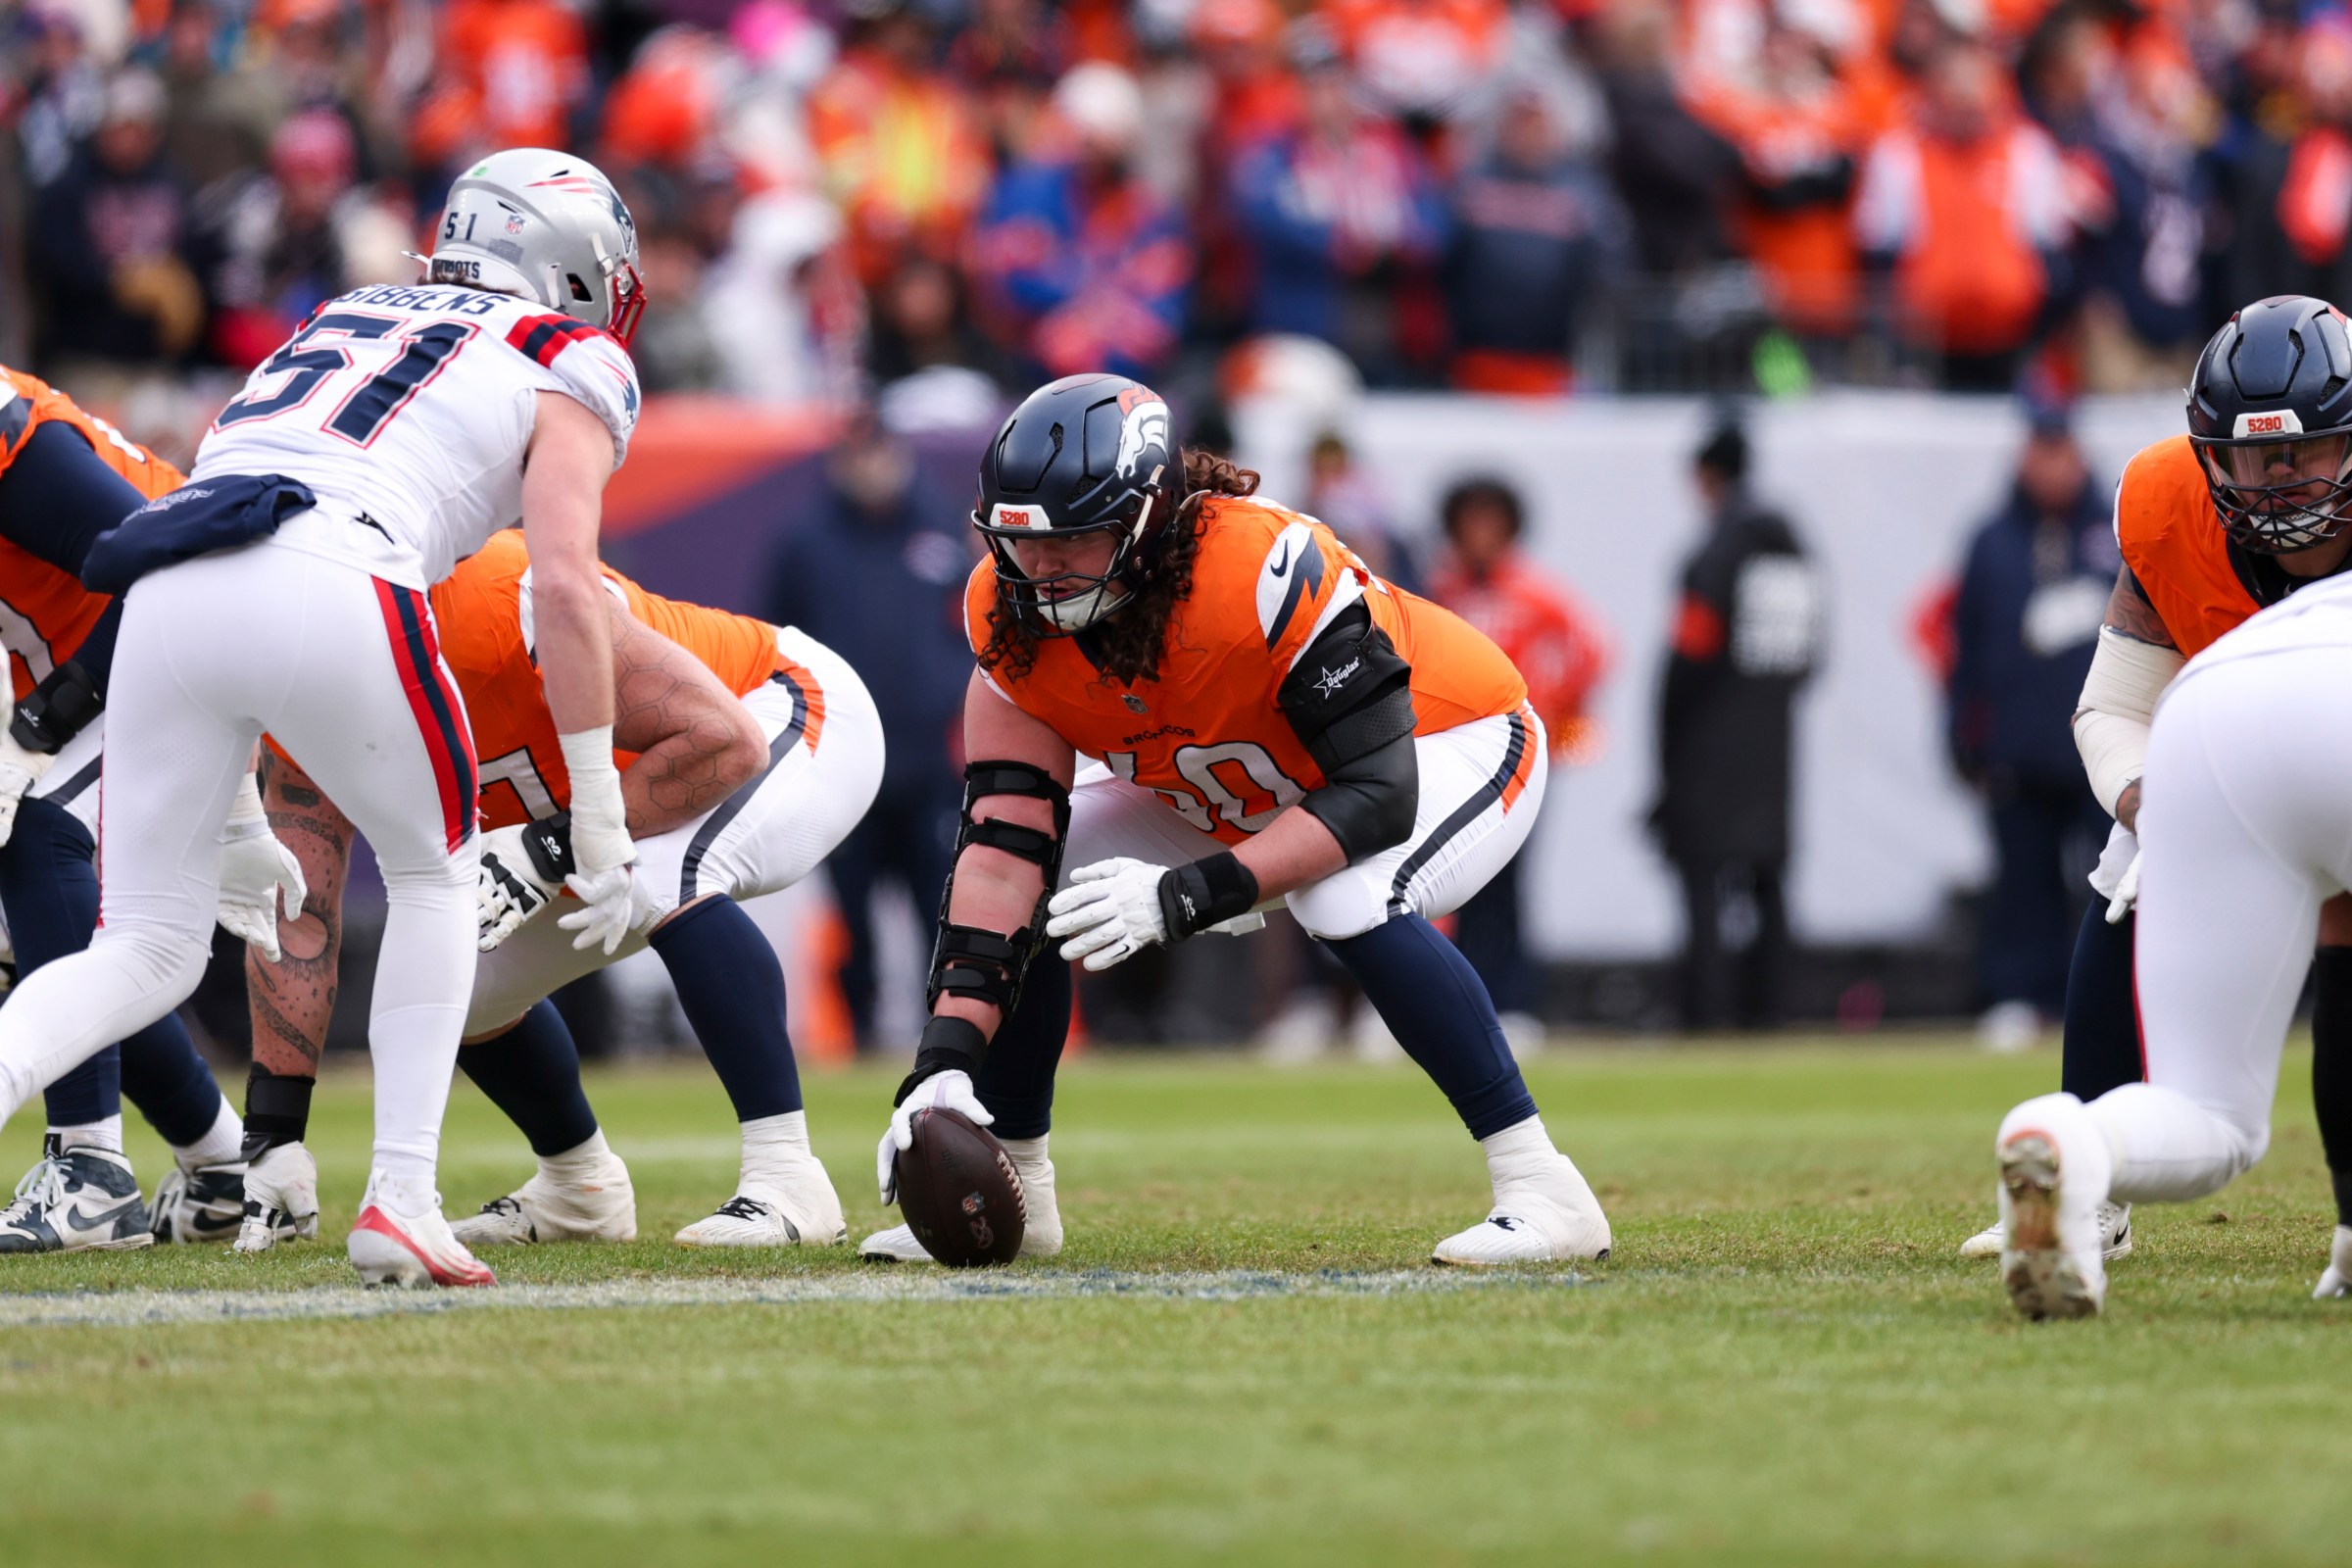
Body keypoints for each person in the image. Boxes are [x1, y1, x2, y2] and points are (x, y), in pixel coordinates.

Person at [0, 147, 647, 1290]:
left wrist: (238, 790)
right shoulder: (567, 350)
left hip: (174, 571)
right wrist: (596, 801)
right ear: (573, 265)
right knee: (439, 874)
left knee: (142, 944)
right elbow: (561, 579)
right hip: (338, 566)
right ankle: (400, 1197)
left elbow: (242, 483)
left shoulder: (348, 307)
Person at [859, 373, 1610, 1267]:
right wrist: (942, 1061)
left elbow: (1376, 793)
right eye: (1023, 545)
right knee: (1041, 879)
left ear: (1146, 522)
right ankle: (1020, 1178)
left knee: (1344, 897)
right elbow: (999, 848)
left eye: (1073, 542)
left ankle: (1542, 1186)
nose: (1041, 571)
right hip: (1242, 782)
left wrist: (1187, 896)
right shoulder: (1007, 613)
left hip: (1452, 739)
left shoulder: (1261, 568)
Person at [234, 530, 882, 1250]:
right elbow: (301, 919)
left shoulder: (508, 597)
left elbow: (724, 742)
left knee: (670, 871)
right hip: (601, 810)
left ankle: (788, 1174)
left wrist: (552, 846)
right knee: (444, 976)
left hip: (785, 709)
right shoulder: (306, 694)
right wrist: (274, 1136)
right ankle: (580, 1186)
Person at [1962, 296, 2352, 1283]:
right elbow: (2111, 706)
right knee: (2127, 874)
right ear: (2205, 449)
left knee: (2216, 1110)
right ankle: (2091, 1188)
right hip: (2243, 752)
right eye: (2249, 457)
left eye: (2304, 454)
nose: (2275, 483)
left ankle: (2079, 1153)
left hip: (2248, 736)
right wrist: (2154, 802)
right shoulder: (2166, 503)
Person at [0, 368, 277, 1253]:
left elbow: (172, 553)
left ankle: (88, 1168)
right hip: (88, 658)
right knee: (46, 936)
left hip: (171, 630)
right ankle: (222, 1157)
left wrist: (61, 706)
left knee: (38, 835)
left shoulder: (12, 435)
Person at [765, 413, 970, 1053]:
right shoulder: (805, 543)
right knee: (852, 919)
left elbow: (978, 630)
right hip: (843, 768)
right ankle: (856, 1035)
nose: (869, 467)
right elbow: (772, 643)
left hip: (929, 764)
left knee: (941, 910)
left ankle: (946, 1040)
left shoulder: (944, 531)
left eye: (877, 452)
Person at [1944, 406, 2113, 1048]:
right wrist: (1963, 737)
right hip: (2019, 751)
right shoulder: (1992, 540)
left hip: (2102, 752)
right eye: (2040, 449)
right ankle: (2023, 995)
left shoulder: (2115, 530)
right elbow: (1965, 649)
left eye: (2060, 448)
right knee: (2022, 887)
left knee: (2114, 881)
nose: (2050, 464)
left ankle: (2111, 995)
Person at [1426, 476, 1611, 1049]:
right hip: (1450, 758)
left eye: (1492, 522)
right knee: (1446, 884)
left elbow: (1594, 652)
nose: (1481, 534)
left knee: (1509, 881)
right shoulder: (1439, 590)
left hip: (1519, 756)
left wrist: (1560, 716)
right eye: (1470, 522)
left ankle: (1513, 1004)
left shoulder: (1535, 592)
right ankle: (1449, 1002)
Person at [1652, 418, 1821, 1031]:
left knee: (1703, 884)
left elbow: (1688, 656)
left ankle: (1708, 1014)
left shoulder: (1716, 552)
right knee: (1769, 883)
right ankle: (1774, 1009)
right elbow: (1811, 657)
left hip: (1708, 749)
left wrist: (1667, 738)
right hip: (1774, 745)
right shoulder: (1794, 550)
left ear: (1705, 475)